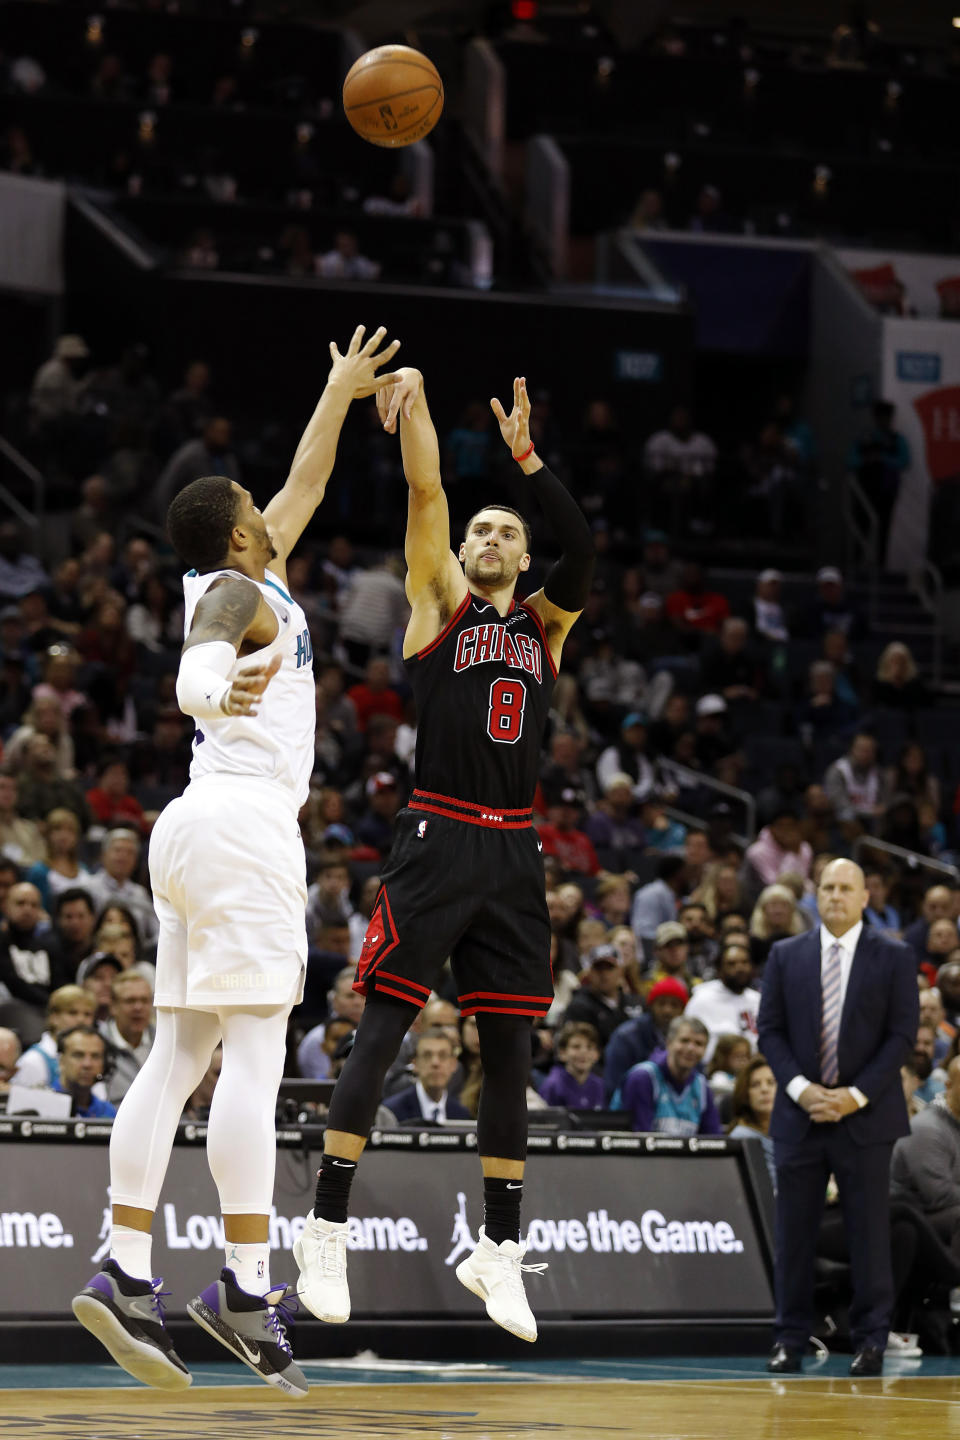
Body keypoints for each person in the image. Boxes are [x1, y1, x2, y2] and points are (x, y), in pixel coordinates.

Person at [72, 322, 400, 1397]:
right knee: (252, 1065)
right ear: (237, 534)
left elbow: (305, 476)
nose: (275, 512)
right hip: (245, 826)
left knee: (177, 1059)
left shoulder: (269, 582)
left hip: (197, 830)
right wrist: (215, 688)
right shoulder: (232, 590)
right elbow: (191, 671)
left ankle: (125, 1264)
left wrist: (339, 393)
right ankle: (248, 1289)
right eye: (259, 513)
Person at [295, 371, 594, 1347]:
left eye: (508, 531)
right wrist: (418, 407)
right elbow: (428, 494)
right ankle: (325, 1226)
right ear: (461, 556)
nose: (494, 539)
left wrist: (529, 461)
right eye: (483, 533)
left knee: (507, 1050)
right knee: (385, 1025)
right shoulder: (441, 607)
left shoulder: (546, 626)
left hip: (515, 848)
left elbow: (583, 544)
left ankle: (498, 1252)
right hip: (438, 831)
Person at [758, 858, 918, 1376]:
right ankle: (789, 1339)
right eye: (827, 887)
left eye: (846, 888)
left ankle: (871, 1341)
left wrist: (854, 1095)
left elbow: (901, 1036)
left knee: (870, 1236)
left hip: (866, 1118)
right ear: (816, 894)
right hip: (799, 1116)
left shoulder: (894, 956)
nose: (836, 896)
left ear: (865, 897)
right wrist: (804, 1091)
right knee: (794, 1235)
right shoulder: (785, 955)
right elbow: (770, 1032)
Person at [617, 1016, 722, 1134]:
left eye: (699, 1044)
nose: (691, 1048)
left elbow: (713, 1139)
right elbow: (638, 1137)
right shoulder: (643, 1078)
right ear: (668, 1043)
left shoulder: (702, 1086)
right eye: (684, 1041)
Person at [602, 976, 688, 1101]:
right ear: (651, 1005)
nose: (667, 1010)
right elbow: (613, 1085)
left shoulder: (687, 1038)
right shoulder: (627, 1036)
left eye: (674, 1005)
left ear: (683, 1009)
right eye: (662, 1003)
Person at [684, 943, 760, 1062]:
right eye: (731, 964)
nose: (740, 968)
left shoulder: (758, 1000)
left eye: (745, 962)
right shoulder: (701, 1000)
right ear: (719, 969)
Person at [382, 1028, 471, 1123]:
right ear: (415, 1064)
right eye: (427, 1055)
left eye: (442, 1055)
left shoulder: (462, 1115)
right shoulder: (391, 1111)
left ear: (453, 1064)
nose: (435, 1063)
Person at [727, 1054, 777, 1191]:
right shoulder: (741, 1137)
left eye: (771, 1082)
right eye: (755, 1084)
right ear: (745, 1093)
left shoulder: (794, 1133)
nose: (764, 1089)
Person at [53, 1025, 117, 1119]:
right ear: (61, 1061)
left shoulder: (108, 1113)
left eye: (95, 1056)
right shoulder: (44, 1104)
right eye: (78, 1055)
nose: (87, 1064)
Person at [538, 1020, 604, 1110]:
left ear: (597, 1054)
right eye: (576, 1046)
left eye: (589, 1047)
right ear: (562, 1053)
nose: (583, 1052)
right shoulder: (553, 1086)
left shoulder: (598, 1085)